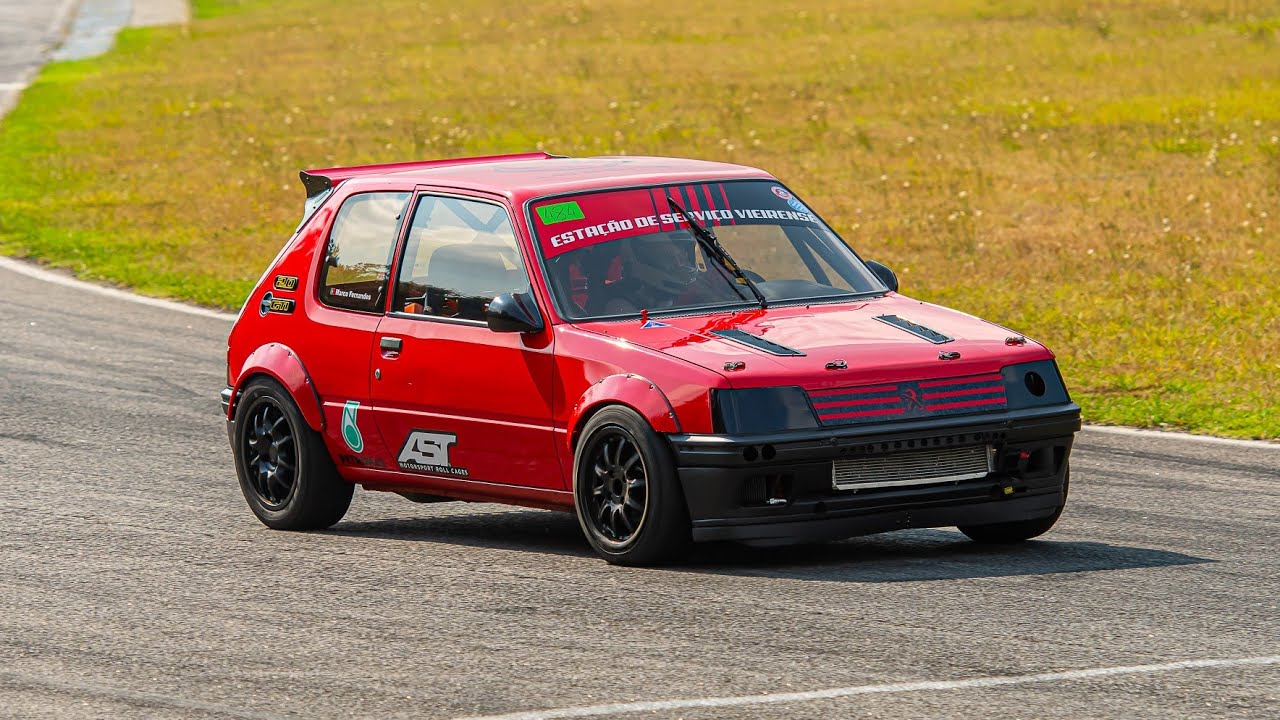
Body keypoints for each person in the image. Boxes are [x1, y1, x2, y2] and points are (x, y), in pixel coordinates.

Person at [603, 231, 744, 314]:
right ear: (639, 257)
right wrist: (683, 302)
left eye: (684, 252)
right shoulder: (620, 305)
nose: (680, 260)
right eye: (669, 257)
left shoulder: (702, 286)